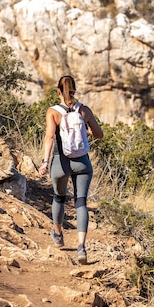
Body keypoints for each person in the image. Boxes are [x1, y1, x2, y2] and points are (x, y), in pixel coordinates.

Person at [38, 75, 103, 264]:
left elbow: (50, 137)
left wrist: (44, 161)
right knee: (81, 203)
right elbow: (99, 134)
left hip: (60, 162)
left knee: (59, 197)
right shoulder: (84, 110)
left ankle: (58, 234)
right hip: (82, 162)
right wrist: (87, 131)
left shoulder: (53, 112)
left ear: (58, 91)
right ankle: (81, 247)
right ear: (74, 90)